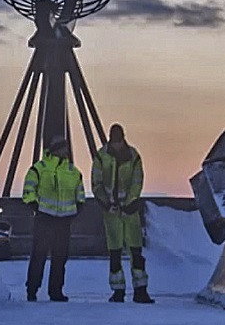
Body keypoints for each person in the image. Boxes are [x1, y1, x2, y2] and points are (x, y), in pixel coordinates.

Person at [91, 123, 153, 303]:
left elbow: (137, 180)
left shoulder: (133, 156)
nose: (117, 144)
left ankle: (140, 290)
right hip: (111, 212)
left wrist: (131, 201)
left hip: (129, 211)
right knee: (115, 253)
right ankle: (118, 291)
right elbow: (97, 182)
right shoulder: (101, 156)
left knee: (136, 251)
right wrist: (106, 202)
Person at [21, 136, 85, 302]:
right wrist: (37, 207)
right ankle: (33, 289)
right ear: (56, 149)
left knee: (60, 257)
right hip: (46, 219)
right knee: (39, 255)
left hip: (62, 221)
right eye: (63, 148)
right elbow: (28, 190)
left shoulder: (73, 171)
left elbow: (80, 195)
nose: (66, 151)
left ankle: (55, 291)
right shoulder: (40, 168)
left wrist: (75, 210)